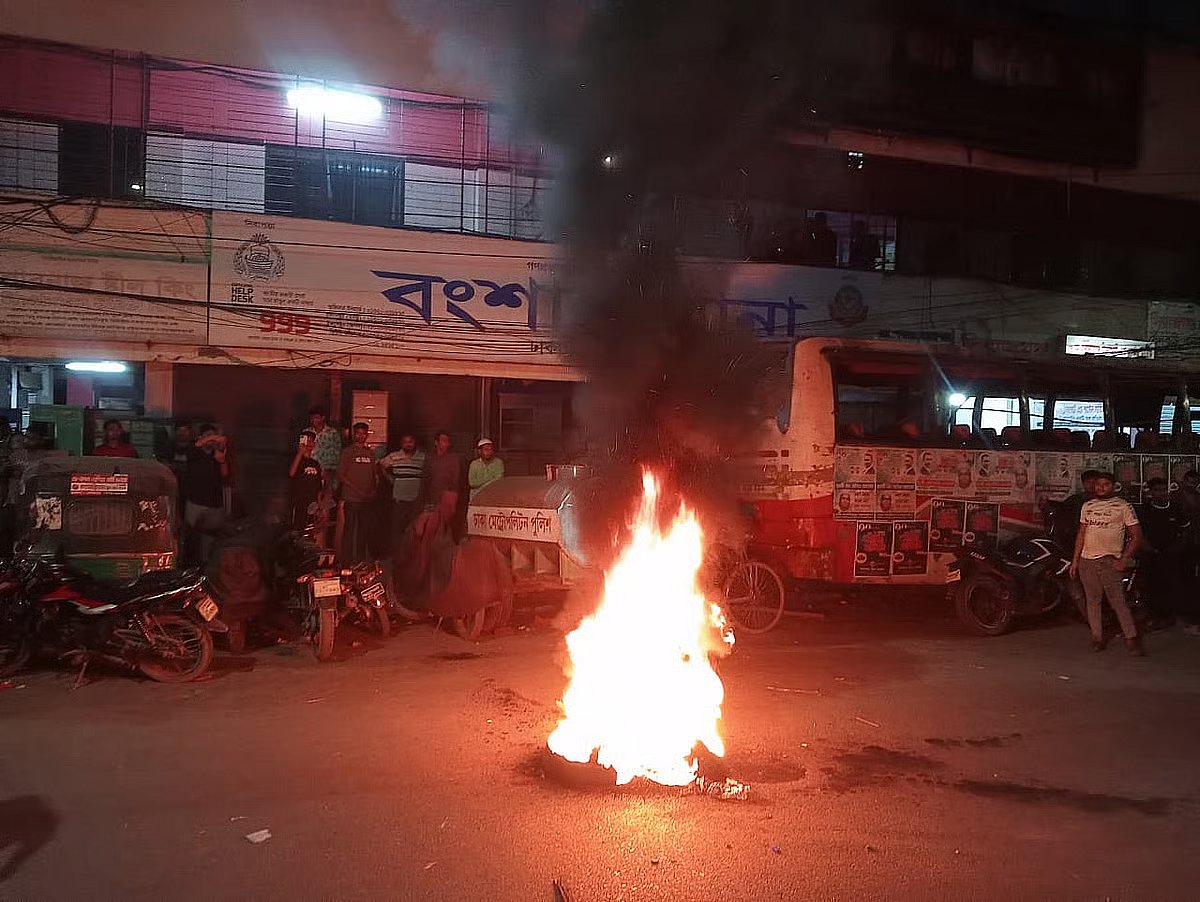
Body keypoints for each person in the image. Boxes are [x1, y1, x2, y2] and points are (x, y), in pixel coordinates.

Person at [1070, 472, 1144, 655]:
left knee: (1117, 601)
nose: (1100, 487)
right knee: (1093, 601)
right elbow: (1081, 534)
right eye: (1098, 484)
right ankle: (1097, 637)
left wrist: (1123, 559)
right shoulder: (1087, 506)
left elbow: (1136, 536)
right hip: (1087, 561)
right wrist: (1075, 561)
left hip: (1109, 561)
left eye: (1105, 484)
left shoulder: (1122, 506)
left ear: (1113, 486)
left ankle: (1131, 638)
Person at [1138, 477, 1193, 630]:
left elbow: (1186, 529)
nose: (1162, 493)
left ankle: (1172, 616)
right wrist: (1149, 549)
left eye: (1164, 490)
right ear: (1151, 492)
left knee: (1173, 585)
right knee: (1151, 586)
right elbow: (1138, 533)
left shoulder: (1176, 508)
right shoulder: (1144, 510)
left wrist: (1178, 548)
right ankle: (1155, 616)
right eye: (1157, 490)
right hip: (1151, 555)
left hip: (1172, 555)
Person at [184, 424, 229, 564]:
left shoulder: (218, 453)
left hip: (213, 503)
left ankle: (207, 566)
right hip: (194, 501)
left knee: (211, 539)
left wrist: (222, 461)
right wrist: (212, 437)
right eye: (208, 436)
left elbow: (225, 476)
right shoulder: (194, 451)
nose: (211, 440)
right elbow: (198, 445)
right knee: (190, 537)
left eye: (213, 436)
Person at [337, 422, 379, 563]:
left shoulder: (371, 454)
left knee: (363, 531)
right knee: (349, 530)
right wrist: (357, 489)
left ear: (367, 435)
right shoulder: (347, 452)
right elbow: (342, 476)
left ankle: (360, 561)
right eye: (358, 433)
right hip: (351, 498)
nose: (360, 436)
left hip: (366, 500)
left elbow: (374, 475)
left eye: (363, 433)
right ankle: (345, 561)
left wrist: (372, 490)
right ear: (354, 434)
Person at [379, 433, 425, 547]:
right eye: (405, 442)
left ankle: (412, 556)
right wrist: (390, 478)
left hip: (415, 499)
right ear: (401, 444)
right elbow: (380, 465)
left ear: (415, 443)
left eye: (410, 442)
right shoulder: (394, 456)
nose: (408, 444)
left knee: (415, 530)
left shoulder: (422, 457)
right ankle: (398, 557)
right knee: (397, 530)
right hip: (399, 498)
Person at [289, 429, 326, 532]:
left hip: (312, 503)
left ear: (314, 444)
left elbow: (319, 486)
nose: (308, 444)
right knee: (297, 529)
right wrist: (300, 453)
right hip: (299, 500)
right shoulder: (297, 460)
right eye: (306, 441)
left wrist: (320, 506)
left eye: (310, 441)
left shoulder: (315, 463)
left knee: (310, 530)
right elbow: (292, 473)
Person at [307, 405, 342, 487]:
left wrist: (328, 470)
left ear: (323, 418)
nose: (313, 420)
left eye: (316, 417)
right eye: (312, 418)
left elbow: (338, 454)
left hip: (328, 471)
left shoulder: (333, 433)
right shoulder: (306, 432)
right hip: (310, 470)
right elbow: (301, 451)